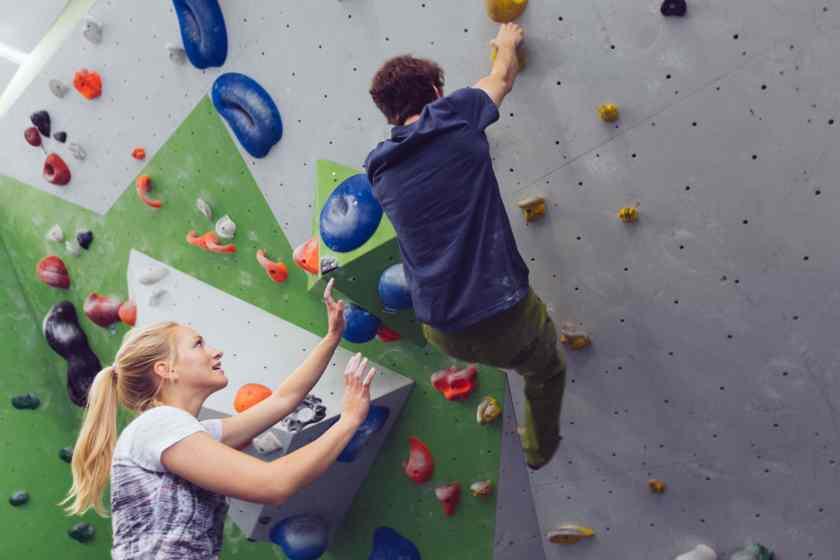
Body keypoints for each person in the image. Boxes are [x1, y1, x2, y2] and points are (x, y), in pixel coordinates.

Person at [364, 23, 566, 470]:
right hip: (505, 314)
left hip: (442, 328)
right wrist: (507, 42)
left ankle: (503, 367)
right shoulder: (456, 116)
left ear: (390, 115)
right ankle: (537, 451)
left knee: (502, 353)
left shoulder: (378, 170)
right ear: (437, 90)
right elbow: (502, 77)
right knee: (545, 371)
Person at [61, 279, 377, 559]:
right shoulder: (158, 426)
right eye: (198, 344)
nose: (216, 352)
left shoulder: (180, 433)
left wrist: (332, 337)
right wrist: (348, 420)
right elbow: (274, 484)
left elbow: (283, 401)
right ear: (166, 369)